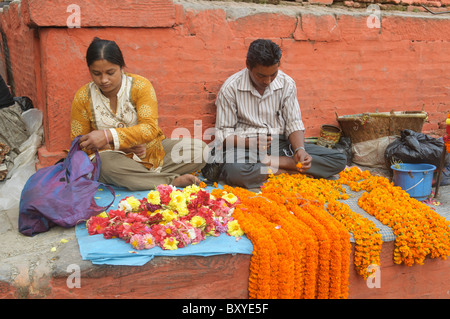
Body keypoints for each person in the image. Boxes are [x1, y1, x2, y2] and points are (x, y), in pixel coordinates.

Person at [70, 37, 206, 191]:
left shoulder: (140, 86)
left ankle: (140, 178)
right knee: (105, 166)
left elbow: (149, 129)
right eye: (96, 74)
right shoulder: (82, 97)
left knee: (199, 150)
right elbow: (78, 145)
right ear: (89, 70)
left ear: (121, 67)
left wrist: (108, 135)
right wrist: (116, 146)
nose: (104, 80)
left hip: (150, 152)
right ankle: (171, 181)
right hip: (113, 160)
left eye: (110, 72)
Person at [213, 39, 347, 189]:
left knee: (339, 159)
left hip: (281, 145)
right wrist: (250, 143)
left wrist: (299, 150)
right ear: (248, 66)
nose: (268, 81)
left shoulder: (286, 84)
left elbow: (293, 123)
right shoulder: (231, 89)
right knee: (236, 171)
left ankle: (277, 163)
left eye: (273, 74)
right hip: (247, 148)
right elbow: (223, 134)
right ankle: (289, 170)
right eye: (261, 76)